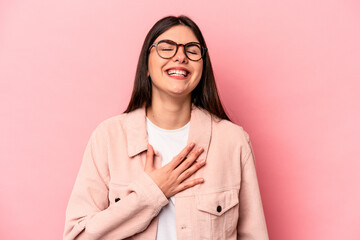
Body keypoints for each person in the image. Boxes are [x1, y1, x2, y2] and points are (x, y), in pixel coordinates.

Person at [63, 15, 268, 240]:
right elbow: (77, 236)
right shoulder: (108, 138)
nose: (180, 56)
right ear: (147, 66)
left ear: (203, 66)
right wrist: (151, 193)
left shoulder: (233, 141)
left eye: (192, 50)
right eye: (167, 48)